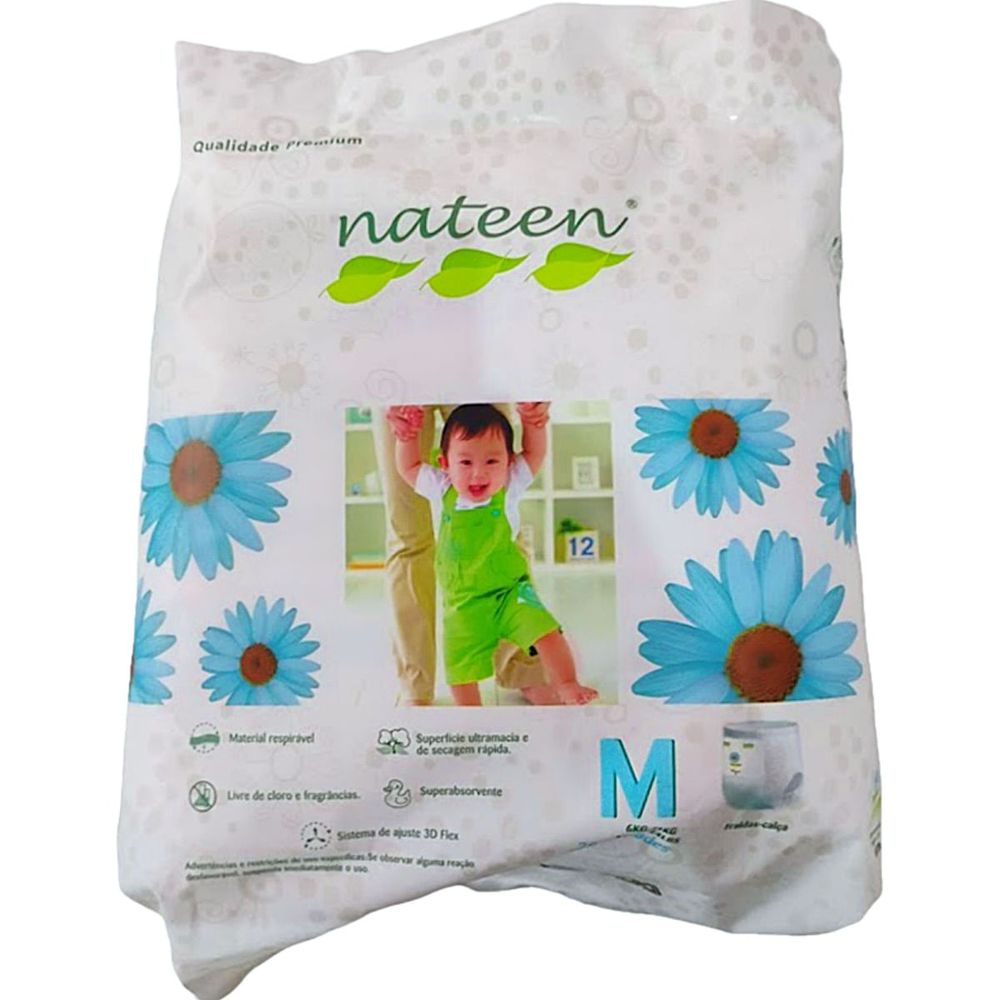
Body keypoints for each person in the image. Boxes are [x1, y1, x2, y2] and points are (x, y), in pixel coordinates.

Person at [388, 401, 597, 707]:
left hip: (510, 593)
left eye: (491, 461)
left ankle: (566, 683)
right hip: (463, 604)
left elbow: (534, 453)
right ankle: (470, 714)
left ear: (509, 462)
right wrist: (406, 437)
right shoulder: (441, 487)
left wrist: (533, 423)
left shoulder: (510, 484)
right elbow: (408, 467)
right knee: (461, 670)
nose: (478, 474)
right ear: (444, 463)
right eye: (465, 462)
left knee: (547, 633)